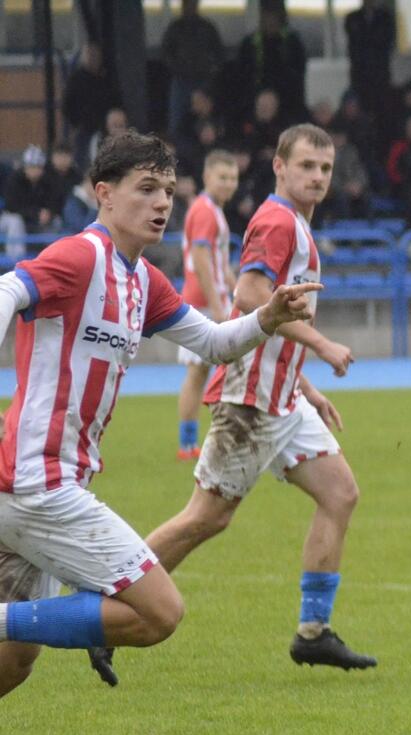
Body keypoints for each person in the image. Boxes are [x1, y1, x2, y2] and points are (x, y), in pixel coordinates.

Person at [0, 133, 316, 696]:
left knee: (15, 660)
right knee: (159, 612)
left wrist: (267, 318)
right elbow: (9, 287)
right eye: (146, 188)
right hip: (38, 484)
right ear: (104, 194)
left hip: (31, 485)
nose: (162, 202)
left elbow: (215, 343)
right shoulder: (81, 256)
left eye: (168, 190)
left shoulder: (143, 281)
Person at [86, 125, 373, 687]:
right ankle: (104, 607)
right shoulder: (276, 221)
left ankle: (313, 632)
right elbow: (249, 296)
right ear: (280, 168)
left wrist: (306, 386)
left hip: (282, 397)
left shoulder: (297, 224)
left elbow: (270, 315)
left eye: (325, 168)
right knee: (206, 517)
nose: (318, 176)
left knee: (340, 494)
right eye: (307, 165)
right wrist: (321, 345)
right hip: (250, 399)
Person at [174, 149, 241, 462]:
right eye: (222, 177)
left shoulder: (212, 210)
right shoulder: (204, 211)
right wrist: (217, 305)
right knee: (201, 372)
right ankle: (190, 443)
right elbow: (201, 259)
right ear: (207, 176)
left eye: (233, 178)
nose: (228, 184)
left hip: (210, 301)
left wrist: (235, 291)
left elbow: (219, 263)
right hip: (203, 304)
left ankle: (195, 442)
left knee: (205, 372)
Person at [160, 0, 224, 136]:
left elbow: (219, 54)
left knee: (204, 121)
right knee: (176, 122)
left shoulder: (207, 27)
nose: (189, 7)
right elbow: (166, 53)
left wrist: (210, 74)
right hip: (181, 81)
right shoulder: (175, 27)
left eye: (192, 4)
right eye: (186, 4)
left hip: (203, 82)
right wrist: (177, 69)